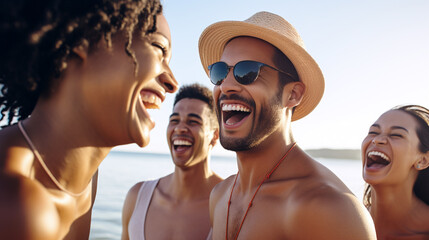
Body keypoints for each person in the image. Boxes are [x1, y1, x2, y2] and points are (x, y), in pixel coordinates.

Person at [0, 0, 178, 239]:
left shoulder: (86, 182)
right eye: (158, 48)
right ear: (82, 39)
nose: (172, 82)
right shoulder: (16, 201)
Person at [198, 11, 376, 239]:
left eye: (247, 72)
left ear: (292, 94)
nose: (226, 86)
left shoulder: (330, 209)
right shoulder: (221, 195)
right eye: (220, 72)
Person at [121, 83, 223, 240]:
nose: (180, 128)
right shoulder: (137, 198)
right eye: (174, 120)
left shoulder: (228, 204)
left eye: (193, 122)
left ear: (215, 136)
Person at [362, 105, 429, 239]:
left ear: (422, 161)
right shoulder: (342, 219)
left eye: (396, 135)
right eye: (373, 132)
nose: (377, 139)